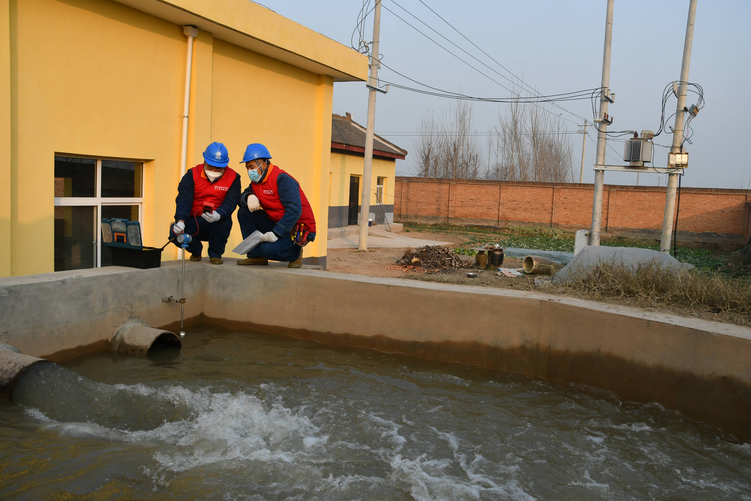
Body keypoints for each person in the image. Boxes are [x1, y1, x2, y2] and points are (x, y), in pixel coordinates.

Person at [236, 143, 316, 268]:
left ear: (263, 163)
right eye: (247, 168)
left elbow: (294, 210)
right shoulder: (257, 182)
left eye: (251, 167)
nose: (249, 171)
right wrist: (248, 196)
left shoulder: (282, 179)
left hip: (297, 228)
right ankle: (256, 256)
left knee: (267, 250)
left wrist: (276, 233)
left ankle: (295, 254)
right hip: (276, 221)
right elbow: (240, 198)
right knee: (244, 212)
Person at [169, 142, 241, 265]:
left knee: (225, 222)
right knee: (174, 234)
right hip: (193, 219)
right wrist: (181, 221)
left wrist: (219, 214)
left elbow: (231, 201)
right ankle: (196, 250)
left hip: (216, 220)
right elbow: (184, 199)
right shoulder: (191, 175)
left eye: (218, 169)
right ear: (204, 161)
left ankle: (215, 254)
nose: (213, 171)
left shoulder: (233, 177)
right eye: (210, 167)